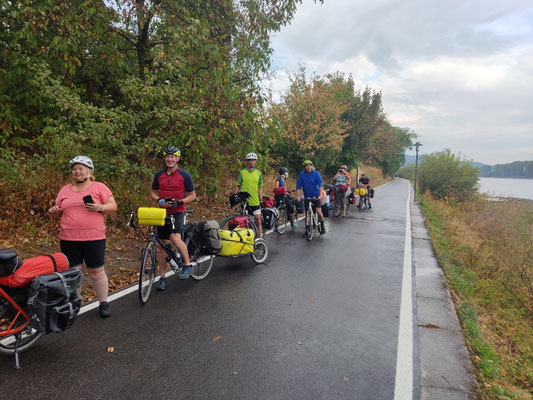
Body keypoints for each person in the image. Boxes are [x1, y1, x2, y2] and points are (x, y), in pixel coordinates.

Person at [49, 156, 117, 318]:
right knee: (74, 272)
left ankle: (103, 302)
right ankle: (75, 303)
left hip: (94, 237)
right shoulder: (65, 190)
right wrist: (55, 211)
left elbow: (113, 206)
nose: (77, 171)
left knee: (96, 271)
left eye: (81, 168)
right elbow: (60, 211)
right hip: (69, 238)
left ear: (89, 171)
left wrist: (99, 207)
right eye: (74, 169)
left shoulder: (99, 187)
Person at [150, 146, 197, 290]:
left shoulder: (184, 175)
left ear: (178, 159)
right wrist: (158, 199)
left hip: (178, 211)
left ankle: (188, 265)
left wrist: (181, 201)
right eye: (167, 156)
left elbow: (192, 195)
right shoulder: (159, 175)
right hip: (163, 212)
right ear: (165, 158)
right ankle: (162, 277)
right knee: (163, 245)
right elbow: (152, 192)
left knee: (175, 238)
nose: (170, 159)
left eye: (173, 157)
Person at [236, 152, 263, 238]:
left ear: (255, 161)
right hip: (244, 201)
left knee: (258, 219)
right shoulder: (242, 172)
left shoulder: (259, 173)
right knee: (244, 221)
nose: (252, 162)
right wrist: (236, 196)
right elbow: (238, 185)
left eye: (253, 160)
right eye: (250, 160)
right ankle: (246, 239)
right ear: (247, 161)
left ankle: (260, 238)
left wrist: (261, 199)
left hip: (255, 200)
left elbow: (260, 187)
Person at [296, 160, 325, 234]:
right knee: (308, 213)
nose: (308, 167)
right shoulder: (302, 175)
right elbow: (298, 186)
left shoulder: (316, 174)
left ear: (312, 166)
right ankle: (308, 227)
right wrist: (298, 196)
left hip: (316, 195)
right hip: (307, 196)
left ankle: (322, 223)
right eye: (306, 166)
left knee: (318, 211)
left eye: (309, 165)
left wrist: (320, 194)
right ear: (304, 167)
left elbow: (320, 184)